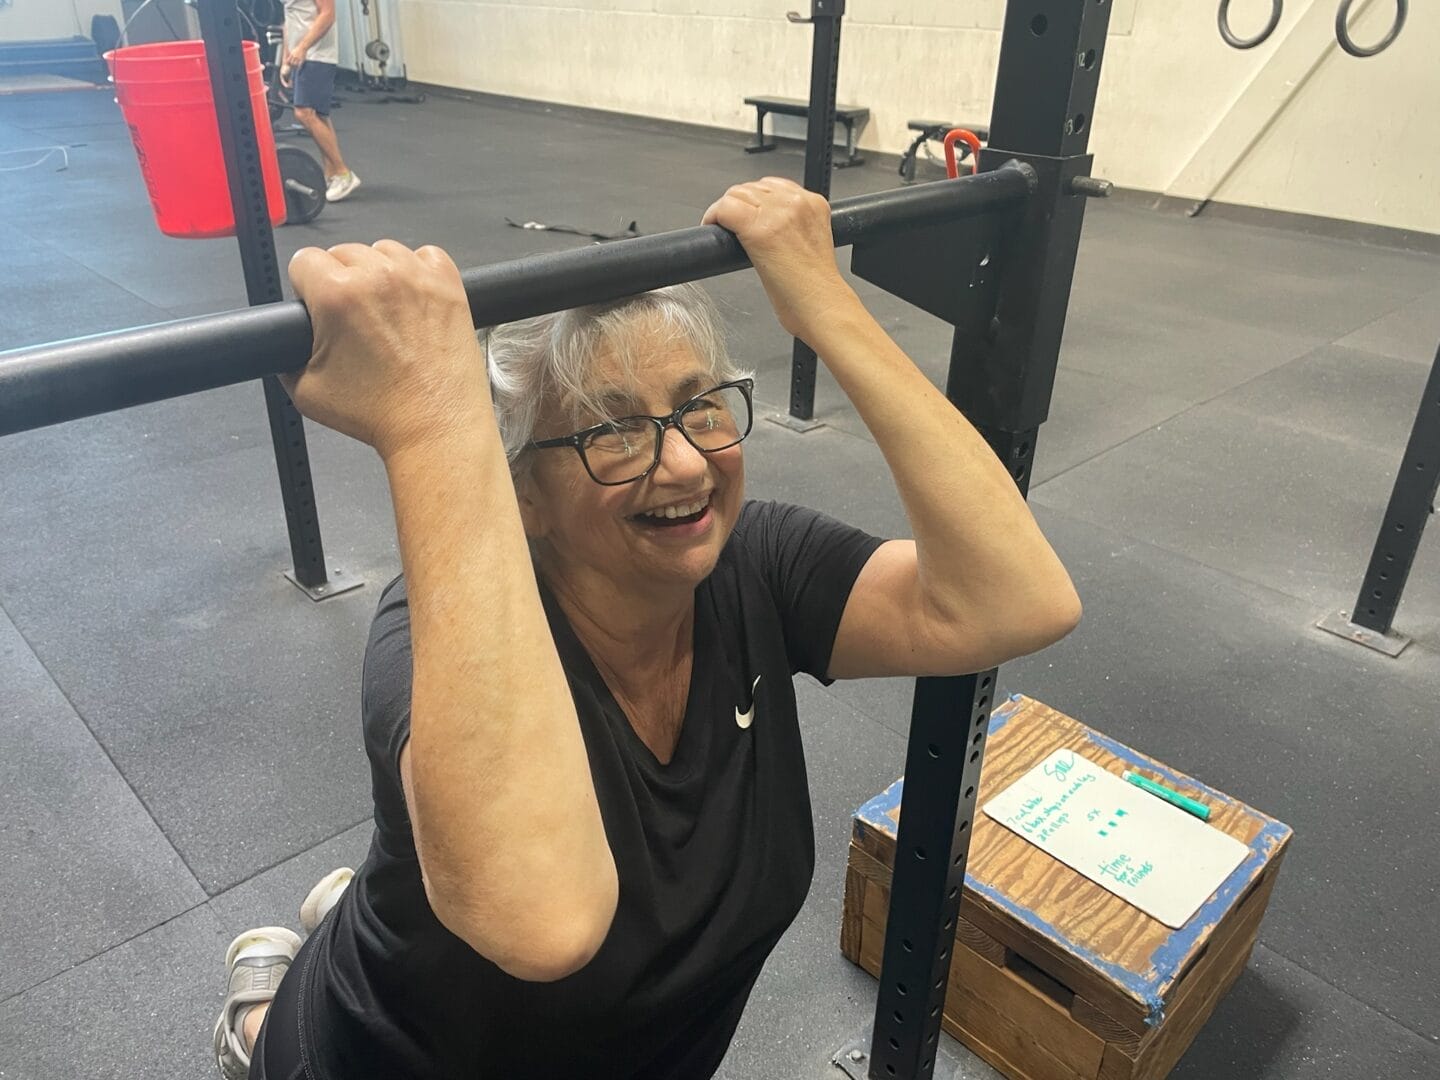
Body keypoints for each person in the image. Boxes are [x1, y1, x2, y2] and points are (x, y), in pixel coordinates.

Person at [212, 177, 1082, 1079]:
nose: (682, 462)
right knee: (299, 1023)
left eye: (700, 403)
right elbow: (545, 924)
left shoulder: (757, 563)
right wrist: (432, 421)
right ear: (521, 492)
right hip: (369, 1058)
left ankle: (383, 897)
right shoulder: (430, 637)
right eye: (609, 431)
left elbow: (1014, 599)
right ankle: (266, 1005)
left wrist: (825, 300)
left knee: (432, 878)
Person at [279, 0, 360, 202]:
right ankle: (332, 174)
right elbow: (290, 19)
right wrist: (286, 59)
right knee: (319, 115)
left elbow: (327, 14)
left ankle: (343, 173)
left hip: (317, 55)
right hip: (302, 55)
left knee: (303, 112)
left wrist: (303, 48)